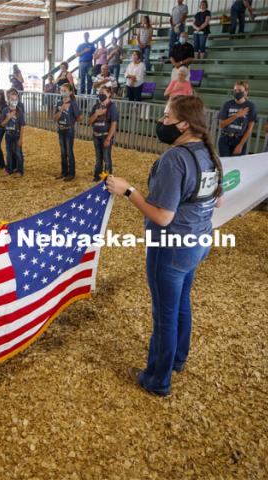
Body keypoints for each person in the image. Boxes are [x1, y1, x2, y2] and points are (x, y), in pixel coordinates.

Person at [106, 95, 223, 397]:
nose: (162, 122)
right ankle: (178, 359)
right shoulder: (208, 153)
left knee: (164, 316)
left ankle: (157, 380)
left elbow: (162, 215)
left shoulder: (176, 158)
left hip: (171, 247)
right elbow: (217, 200)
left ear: (184, 124)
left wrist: (128, 190)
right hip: (199, 241)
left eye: (167, 117)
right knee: (182, 303)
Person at [218, 81, 257, 156]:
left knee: (237, 165)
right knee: (225, 164)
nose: (237, 92)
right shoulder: (227, 104)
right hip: (225, 138)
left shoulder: (251, 106)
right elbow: (221, 125)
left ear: (246, 92)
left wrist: (240, 145)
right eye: (235, 90)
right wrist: (236, 115)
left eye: (240, 90)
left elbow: (249, 129)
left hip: (239, 139)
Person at [88, 85, 118, 180]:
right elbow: (89, 121)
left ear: (109, 94)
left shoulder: (112, 107)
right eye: (99, 93)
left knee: (106, 158)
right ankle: (97, 176)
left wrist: (108, 138)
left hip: (105, 136)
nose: (100, 95)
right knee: (98, 158)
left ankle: (107, 179)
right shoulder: (96, 106)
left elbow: (113, 124)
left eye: (103, 93)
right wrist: (97, 114)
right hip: (96, 135)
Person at [54, 83, 81, 181]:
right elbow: (55, 118)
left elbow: (79, 117)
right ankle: (64, 172)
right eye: (61, 90)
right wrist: (61, 110)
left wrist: (72, 120)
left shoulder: (73, 103)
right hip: (61, 129)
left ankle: (71, 173)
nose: (63, 92)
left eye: (65, 90)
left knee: (69, 151)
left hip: (69, 130)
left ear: (70, 92)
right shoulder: (59, 103)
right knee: (63, 152)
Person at [1, 90, 25, 177]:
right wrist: (9, 117)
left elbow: (22, 125)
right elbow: (2, 124)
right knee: (9, 152)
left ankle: (20, 170)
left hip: (17, 134)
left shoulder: (20, 111)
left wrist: (21, 138)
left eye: (15, 99)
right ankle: (9, 169)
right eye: (12, 99)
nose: (13, 101)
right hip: (8, 134)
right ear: (8, 99)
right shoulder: (5, 110)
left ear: (18, 100)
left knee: (18, 153)